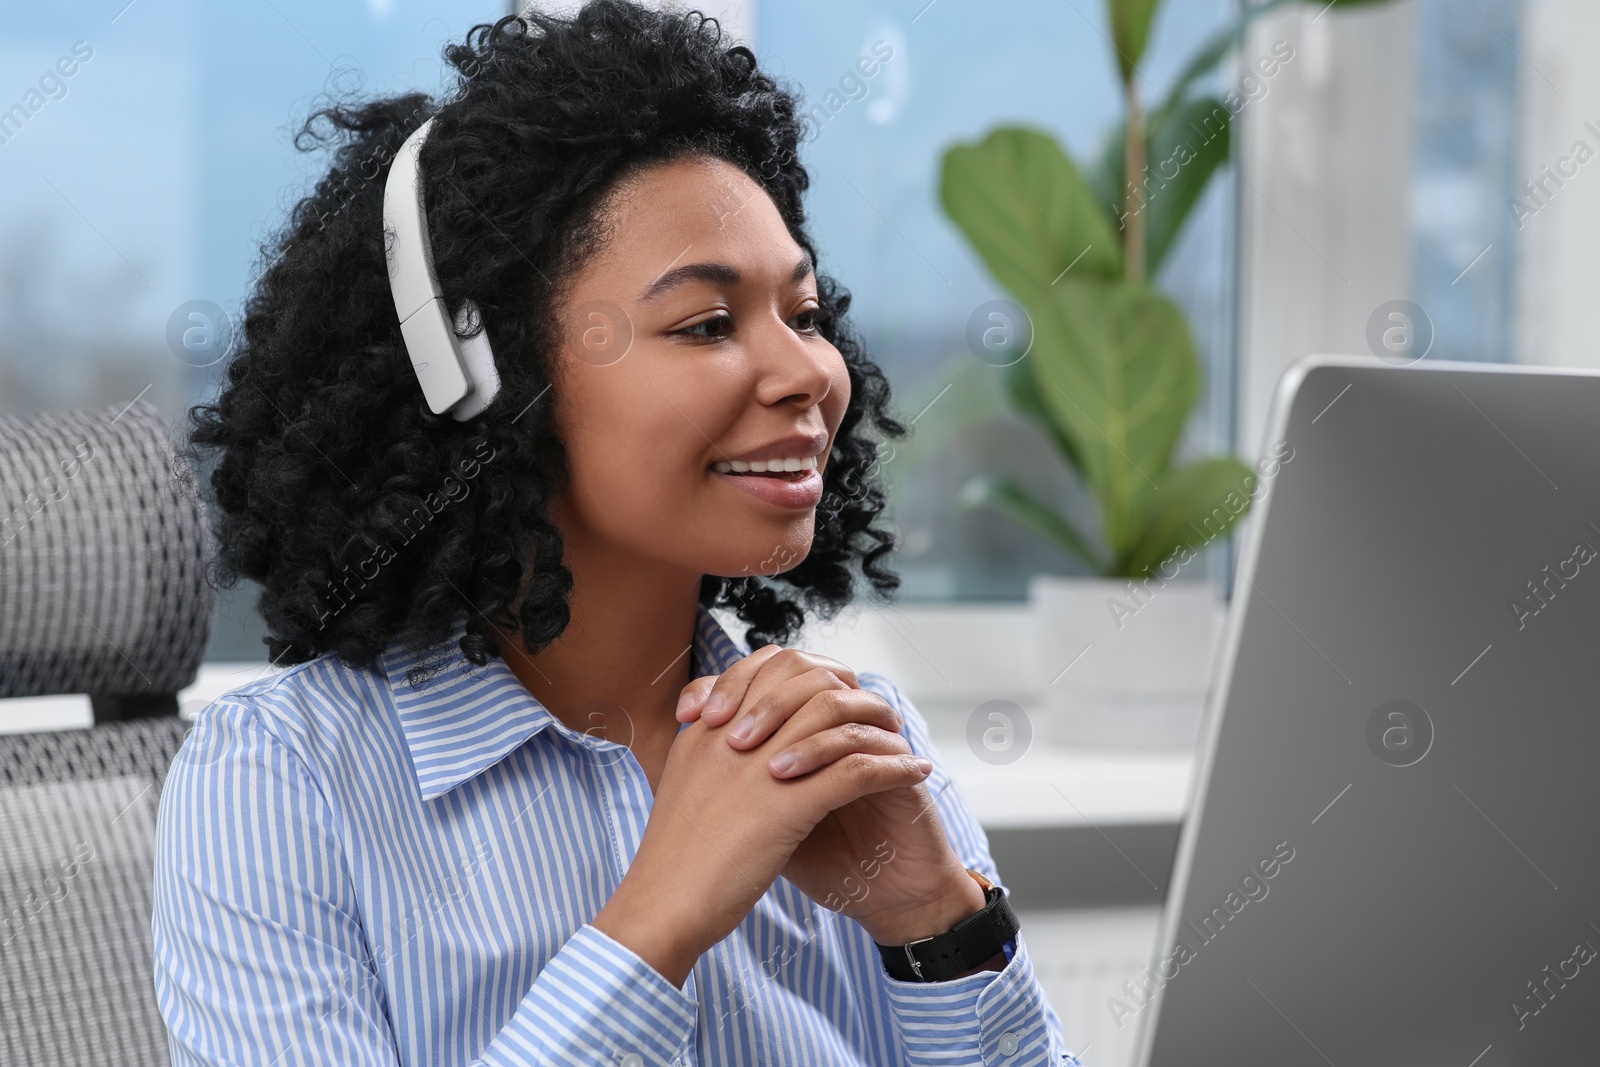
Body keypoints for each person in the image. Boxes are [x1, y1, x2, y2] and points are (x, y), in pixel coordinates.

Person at [154, 3, 1080, 1064]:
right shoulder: (283, 779)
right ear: (482, 379)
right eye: (705, 324)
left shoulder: (853, 740)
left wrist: (939, 925)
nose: (810, 375)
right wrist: (656, 921)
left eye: (807, 314)